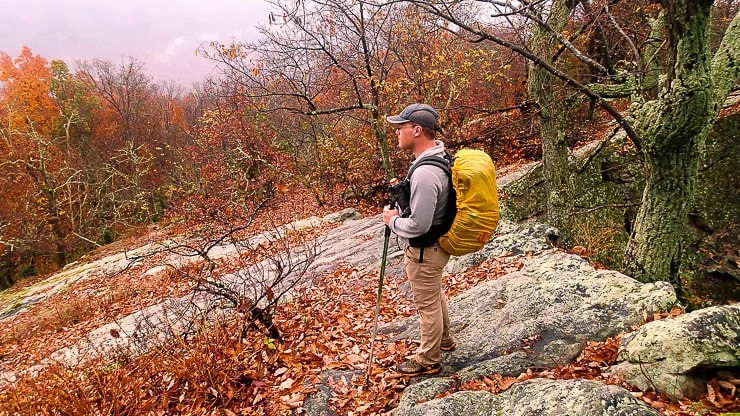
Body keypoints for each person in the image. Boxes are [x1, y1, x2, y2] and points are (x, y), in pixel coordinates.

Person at [383, 103, 455, 376]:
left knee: (427, 306)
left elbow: (419, 224)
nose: (397, 133)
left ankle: (428, 358)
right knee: (435, 296)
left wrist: (393, 221)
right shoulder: (439, 156)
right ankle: (445, 340)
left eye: (400, 128)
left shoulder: (425, 172)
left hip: (425, 249)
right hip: (435, 246)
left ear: (416, 130)